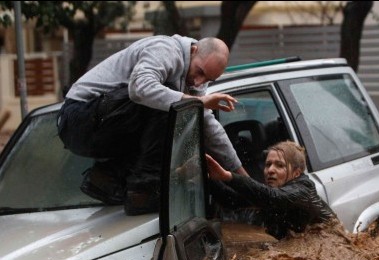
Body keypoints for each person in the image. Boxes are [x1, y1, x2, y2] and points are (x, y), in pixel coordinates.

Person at [56, 34, 248, 216]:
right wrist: (198, 102)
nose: (199, 82)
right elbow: (140, 88)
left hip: (105, 124)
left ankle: (107, 177)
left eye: (208, 80)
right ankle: (143, 191)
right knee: (171, 103)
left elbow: (207, 125)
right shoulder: (165, 49)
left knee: (184, 118)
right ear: (194, 50)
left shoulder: (195, 78)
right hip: (77, 119)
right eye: (200, 72)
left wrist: (242, 178)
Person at [206, 140, 338, 240]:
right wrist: (204, 176)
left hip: (333, 242)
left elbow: (273, 197)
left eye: (279, 165)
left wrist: (228, 176)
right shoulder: (272, 191)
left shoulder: (303, 189)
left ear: (296, 173)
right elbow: (231, 200)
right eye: (268, 164)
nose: (270, 170)